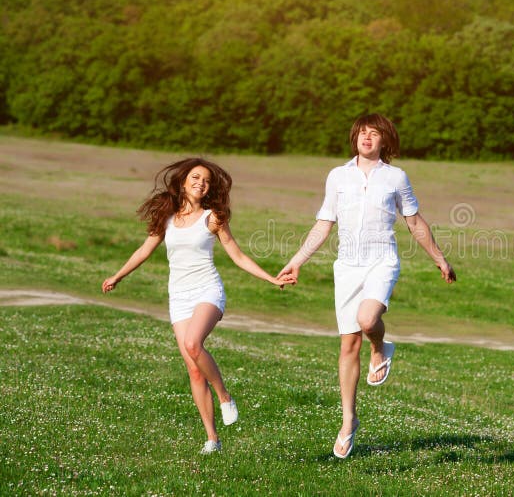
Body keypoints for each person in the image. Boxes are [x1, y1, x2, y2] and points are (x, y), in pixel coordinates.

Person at [279, 113, 456, 459]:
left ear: (384, 140)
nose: (367, 137)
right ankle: (349, 421)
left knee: (367, 319)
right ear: (355, 137)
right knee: (348, 345)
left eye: (374, 133)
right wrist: (297, 260)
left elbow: (414, 222)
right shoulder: (337, 176)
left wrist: (440, 258)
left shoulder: (396, 177)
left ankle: (379, 348)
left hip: (381, 261)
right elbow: (324, 224)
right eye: (362, 132)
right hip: (347, 266)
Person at [102, 158, 295, 455]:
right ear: (183, 182)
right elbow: (144, 250)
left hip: (208, 291)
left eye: (205, 181)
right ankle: (212, 439)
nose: (200, 183)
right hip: (178, 297)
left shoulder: (212, 218)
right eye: (195, 177)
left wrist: (271, 278)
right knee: (193, 370)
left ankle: (225, 397)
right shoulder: (167, 217)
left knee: (193, 343)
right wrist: (117, 276)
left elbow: (238, 256)